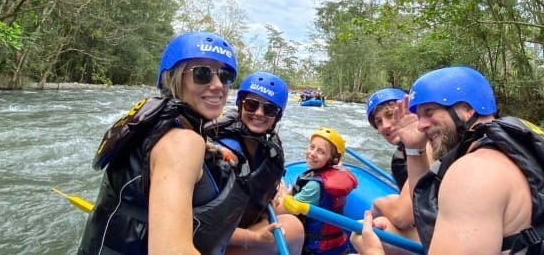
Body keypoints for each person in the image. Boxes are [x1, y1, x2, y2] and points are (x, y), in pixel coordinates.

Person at [353, 66, 544, 254]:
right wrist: (413, 150)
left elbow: (406, 215)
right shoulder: (521, 147)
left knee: (371, 238)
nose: (420, 126)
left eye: (429, 112)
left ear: (467, 109)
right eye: (418, 115)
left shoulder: (474, 172)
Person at [79, 31, 249, 254]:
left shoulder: (155, 127)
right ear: (174, 78)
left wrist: (215, 150)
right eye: (202, 74)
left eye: (225, 75)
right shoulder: (183, 142)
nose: (218, 85)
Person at [205, 71, 304, 254]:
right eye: (251, 105)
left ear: (277, 116)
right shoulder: (219, 153)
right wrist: (251, 237)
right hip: (212, 242)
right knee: (294, 228)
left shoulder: (268, 147)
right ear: (240, 105)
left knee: (288, 214)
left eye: (269, 109)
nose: (259, 113)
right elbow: (200, 224)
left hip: (238, 225)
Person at [354, 88, 427, 254]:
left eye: (391, 115)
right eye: (379, 122)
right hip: (432, 226)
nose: (385, 126)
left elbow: (402, 216)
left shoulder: (425, 146)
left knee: (359, 231)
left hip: (445, 237)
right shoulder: (405, 152)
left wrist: (378, 204)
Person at [291, 127, 358, 255]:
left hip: (316, 249)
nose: (312, 153)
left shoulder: (314, 186)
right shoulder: (334, 173)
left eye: (321, 152)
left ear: (332, 160)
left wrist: (284, 194)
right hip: (338, 246)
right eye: (312, 147)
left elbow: (288, 209)